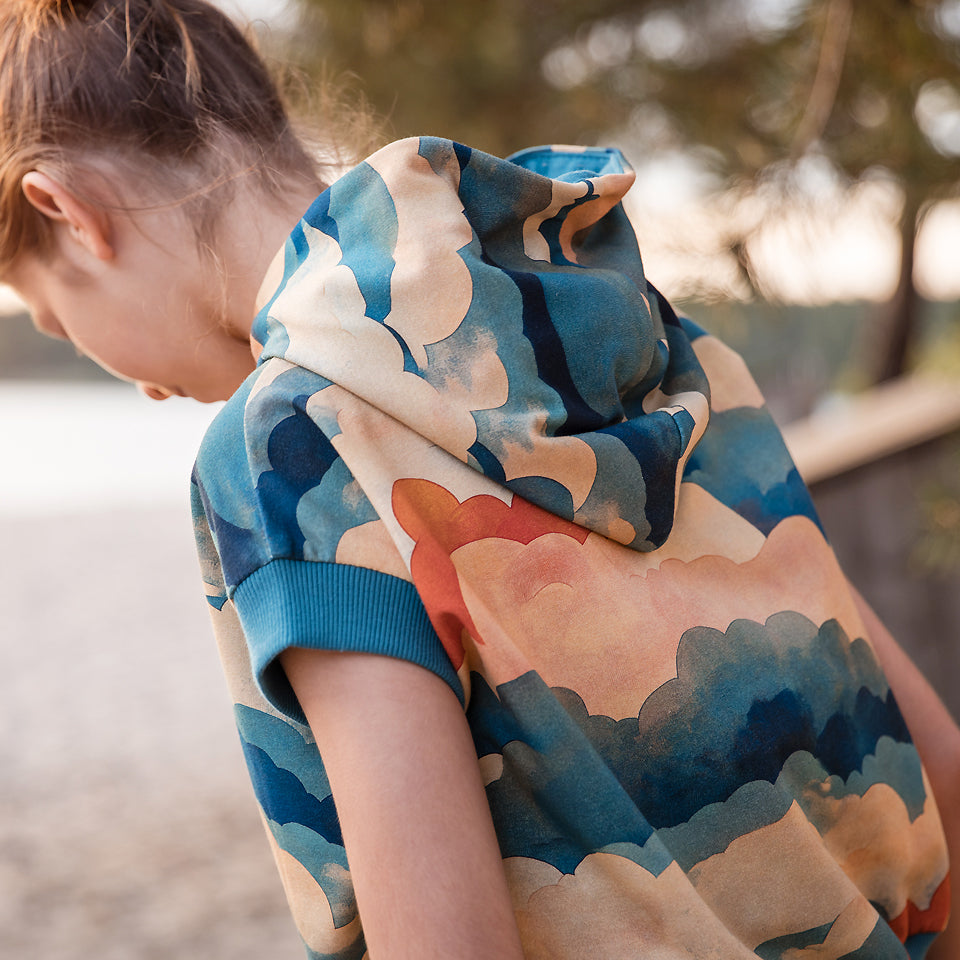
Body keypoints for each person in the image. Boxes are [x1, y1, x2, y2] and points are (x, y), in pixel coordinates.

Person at [2, 1, 957, 958]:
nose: (140, 388)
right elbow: (932, 761)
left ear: (68, 216)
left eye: (51, 318)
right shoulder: (651, 340)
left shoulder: (292, 442)